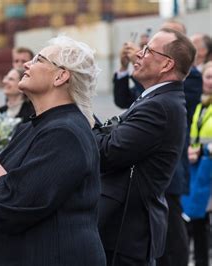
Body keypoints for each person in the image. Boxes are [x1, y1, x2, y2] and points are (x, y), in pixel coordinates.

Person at [0, 35, 105, 265]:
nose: (26, 64)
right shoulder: (31, 128)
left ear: (61, 76)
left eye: (38, 59)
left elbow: (13, 202)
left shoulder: (66, 133)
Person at [94, 28, 196, 265]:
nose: (138, 54)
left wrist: (84, 122)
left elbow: (108, 153)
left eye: (148, 50)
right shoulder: (156, 99)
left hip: (126, 233)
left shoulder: (159, 106)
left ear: (166, 65)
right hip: (127, 229)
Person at [181, 61, 212, 266]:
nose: (210, 82)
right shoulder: (202, 105)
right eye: (208, 76)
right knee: (197, 222)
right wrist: (192, 149)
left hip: (207, 172)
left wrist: (202, 150)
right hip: (199, 170)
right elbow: (195, 136)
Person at [0, 68, 34, 157]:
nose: (4, 81)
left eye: (10, 79)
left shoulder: (31, 114)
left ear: (21, 85)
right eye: (6, 78)